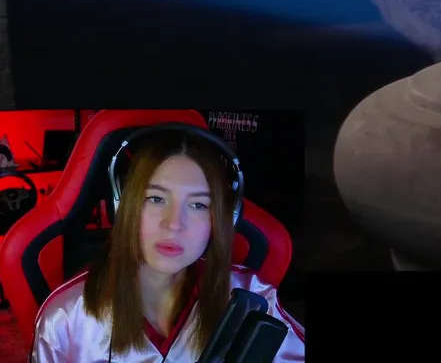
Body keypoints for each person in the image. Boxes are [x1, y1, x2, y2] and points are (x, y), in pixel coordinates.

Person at [29, 128, 304, 362]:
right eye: (156, 199)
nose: (174, 223)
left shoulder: (254, 300)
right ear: (123, 207)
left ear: (223, 218)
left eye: (198, 205)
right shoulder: (66, 318)